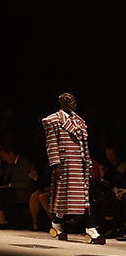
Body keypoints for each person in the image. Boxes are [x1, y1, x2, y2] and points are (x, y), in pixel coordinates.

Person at [42, 92, 102, 244]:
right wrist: (55, 164)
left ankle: (90, 227)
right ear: (62, 102)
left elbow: (85, 145)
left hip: (80, 163)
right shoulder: (52, 120)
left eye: (74, 101)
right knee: (65, 198)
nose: (72, 104)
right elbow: (51, 144)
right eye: (69, 101)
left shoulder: (79, 121)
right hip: (66, 164)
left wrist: (88, 163)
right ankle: (60, 223)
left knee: (83, 197)